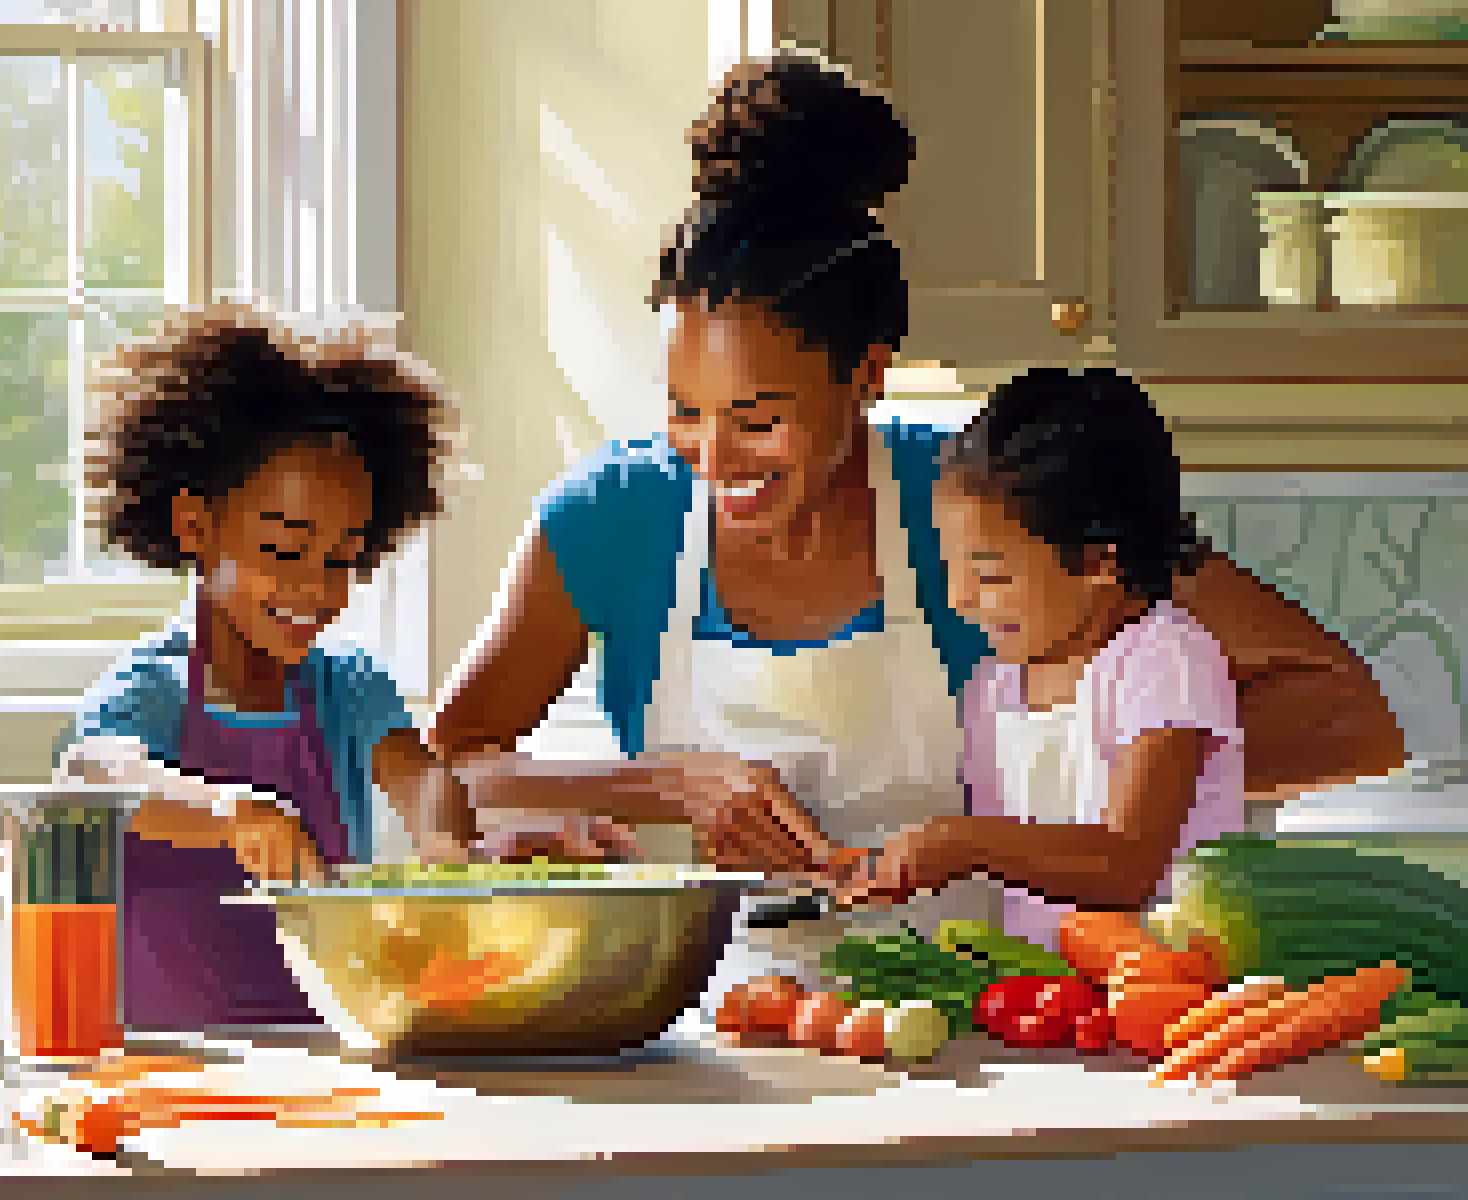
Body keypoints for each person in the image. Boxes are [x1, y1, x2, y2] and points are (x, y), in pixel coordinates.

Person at [421, 52, 1406, 1009]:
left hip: (992, 1019)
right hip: (706, 1020)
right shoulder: (610, 517)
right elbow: (451, 763)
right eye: (684, 409)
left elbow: (1345, 714)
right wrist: (660, 787)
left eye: (759, 420)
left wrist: (1117, 783)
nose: (713, 460)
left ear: (867, 373)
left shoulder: (986, 496)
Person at [52, 305, 469, 1034]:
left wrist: (444, 846)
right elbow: (95, 770)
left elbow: (423, 776)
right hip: (170, 1069)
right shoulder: (154, 689)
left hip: (326, 1056)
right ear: (193, 526)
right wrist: (225, 811)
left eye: (343, 559)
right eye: (282, 551)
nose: (316, 588)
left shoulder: (350, 688)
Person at [830, 370, 1244, 948]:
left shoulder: (1165, 661)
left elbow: (1128, 867)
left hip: (1167, 1000)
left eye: (990, 574)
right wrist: (889, 864)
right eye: (952, 569)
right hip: (1048, 1003)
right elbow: (1012, 866)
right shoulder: (993, 686)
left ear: (1100, 563)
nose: (960, 600)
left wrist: (963, 843)